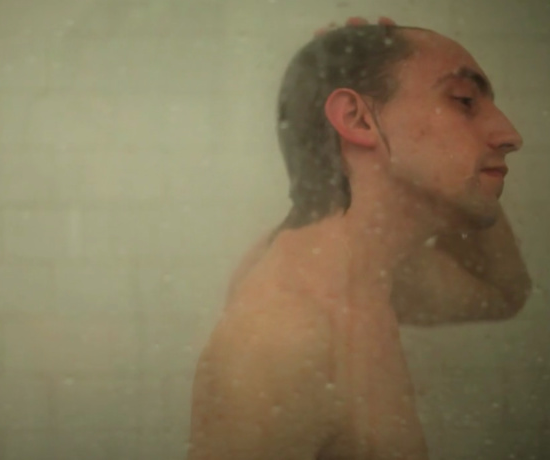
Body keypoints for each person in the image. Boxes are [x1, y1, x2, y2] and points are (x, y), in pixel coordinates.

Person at [187, 17, 531, 460]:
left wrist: (477, 174)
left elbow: (502, 293)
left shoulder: (372, 269)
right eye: (465, 101)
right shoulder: (283, 337)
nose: (510, 135)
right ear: (356, 118)